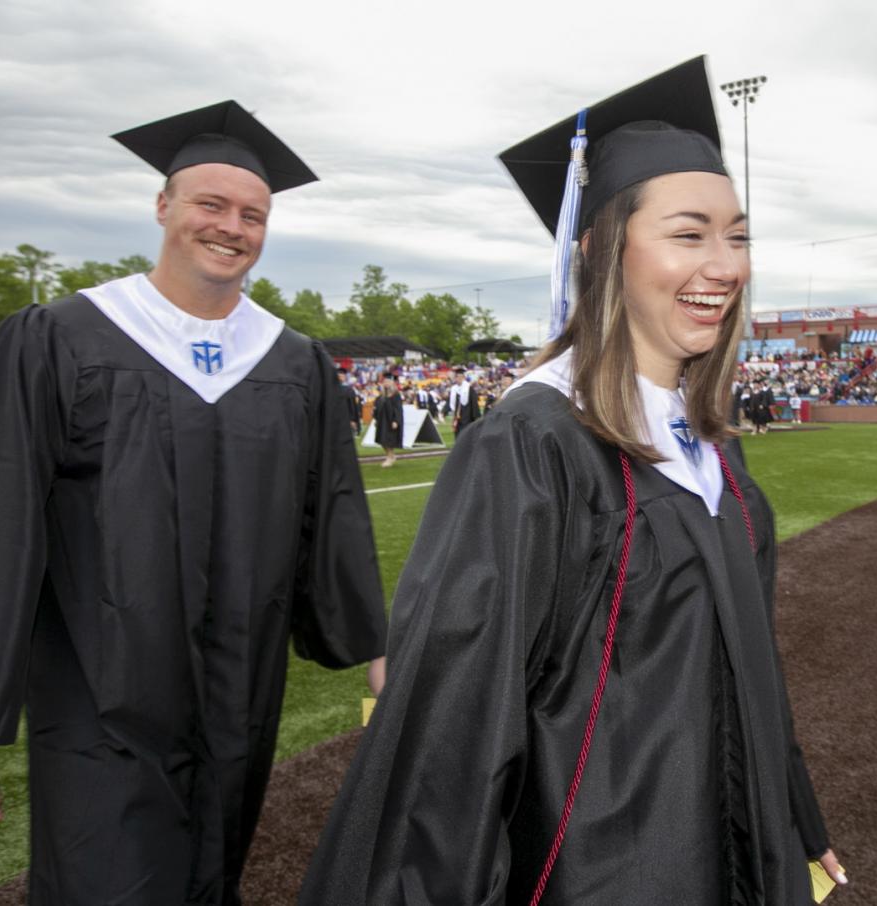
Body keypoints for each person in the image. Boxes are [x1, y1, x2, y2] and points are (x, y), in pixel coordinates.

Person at [301, 58, 844, 904]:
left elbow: (752, 672)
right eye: (688, 232)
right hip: (597, 871)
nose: (725, 265)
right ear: (599, 246)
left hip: (736, 855)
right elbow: (454, 731)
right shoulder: (533, 445)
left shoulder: (713, 451)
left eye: (737, 235)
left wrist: (794, 819)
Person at [0, 101, 387, 906]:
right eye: (209, 203)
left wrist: (374, 642)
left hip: (241, 702)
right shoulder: (60, 340)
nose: (230, 227)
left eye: (252, 214)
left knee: (216, 873)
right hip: (99, 708)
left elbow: (331, 515)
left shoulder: (293, 364)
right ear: (163, 206)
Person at [373, 372, 404, 467]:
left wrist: (396, 420)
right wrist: (375, 416)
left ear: (391, 383)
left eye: (387, 382)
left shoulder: (395, 395)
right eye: (384, 382)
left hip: (391, 421)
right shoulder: (381, 396)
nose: (386, 384)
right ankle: (390, 456)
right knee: (382, 440)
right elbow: (377, 407)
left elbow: (398, 409)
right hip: (382, 421)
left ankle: (390, 457)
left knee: (389, 440)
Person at [448, 366, 480, 438]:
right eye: (457, 377)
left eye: (460, 377)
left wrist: (475, 416)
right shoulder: (454, 389)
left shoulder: (468, 388)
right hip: (457, 417)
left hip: (467, 416)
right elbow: (451, 403)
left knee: (466, 435)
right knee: (457, 434)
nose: (458, 379)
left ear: (463, 377)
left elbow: (474, 402)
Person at [337, 365, 362, 434]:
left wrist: (352, 419)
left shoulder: (348, 390)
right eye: (340, 375)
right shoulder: (330, 390)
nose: (341, 376)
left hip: (345, 419)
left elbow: (352, 406)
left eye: (342, 375)